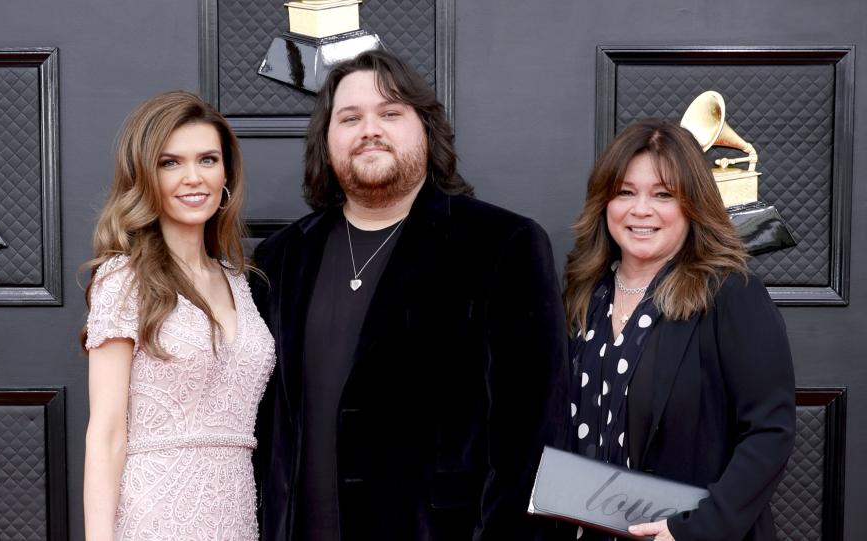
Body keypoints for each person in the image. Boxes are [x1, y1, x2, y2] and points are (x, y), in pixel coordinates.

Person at [250, 49, 568, 541]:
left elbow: (532, 439)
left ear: (426, 130)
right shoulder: (279, 259)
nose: (369, 129)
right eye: (350, 117)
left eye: (391, 113)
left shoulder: (502, 245)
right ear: (326, 139)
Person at [563, 119, 795, 541]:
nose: (641, 210)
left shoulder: (732, 295)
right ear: (604, 203)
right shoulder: (583, 295)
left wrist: (696, 530)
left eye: (664, 195)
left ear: (693, 204)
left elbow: (770, 432)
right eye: (625, 193)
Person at [80, 91, 275, 541]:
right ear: (145, 176)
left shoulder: (239, 281)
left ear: (226, 173)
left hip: (236, 515)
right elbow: (106, 434)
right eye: (170, 163)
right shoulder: (123, 279)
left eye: (207, 160)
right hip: (155, 516)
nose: (193, 178)